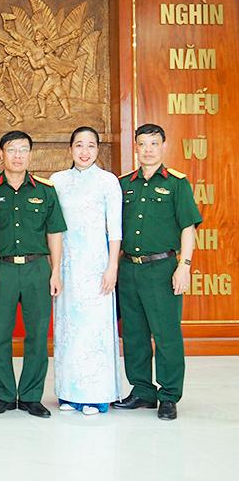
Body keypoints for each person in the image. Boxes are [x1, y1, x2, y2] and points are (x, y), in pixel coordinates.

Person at [113, 124, 201, 421]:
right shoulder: (124, 184)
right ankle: (142, 390)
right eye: (142, 144)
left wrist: (184, 266)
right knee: (134, 334)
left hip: (162, 268)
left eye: (153, 143)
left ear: (163, 146)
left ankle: (168, 395)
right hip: (129, 269)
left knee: (166, 334)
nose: (148, 149)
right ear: (135, 148)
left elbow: (188, 227)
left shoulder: (177, 183)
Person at [0, 131, 66, 419]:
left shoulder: (45, 190)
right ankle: (3, 395)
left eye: (23, 150)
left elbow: (55, 233)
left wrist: (55, 271)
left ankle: (31, 396)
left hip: (37, 269)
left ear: (30, 154)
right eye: (11, 149)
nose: (17, 155)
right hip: (2, 269)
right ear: (1, 154)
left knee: (37, 335)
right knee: (0, 334)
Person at [51, 126, 123, 416]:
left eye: (91, 145)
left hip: (96, 267)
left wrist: (112, 266)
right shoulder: (57, 181)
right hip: (67, 266)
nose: (84, 151)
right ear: (70, 149)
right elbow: (53, 228)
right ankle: (68, 392)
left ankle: (96, 394)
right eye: (79, 145)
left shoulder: (108, 181)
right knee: (68, 329)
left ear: (97, 150)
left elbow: (115, 229)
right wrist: (55, 269)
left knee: (94, 330)